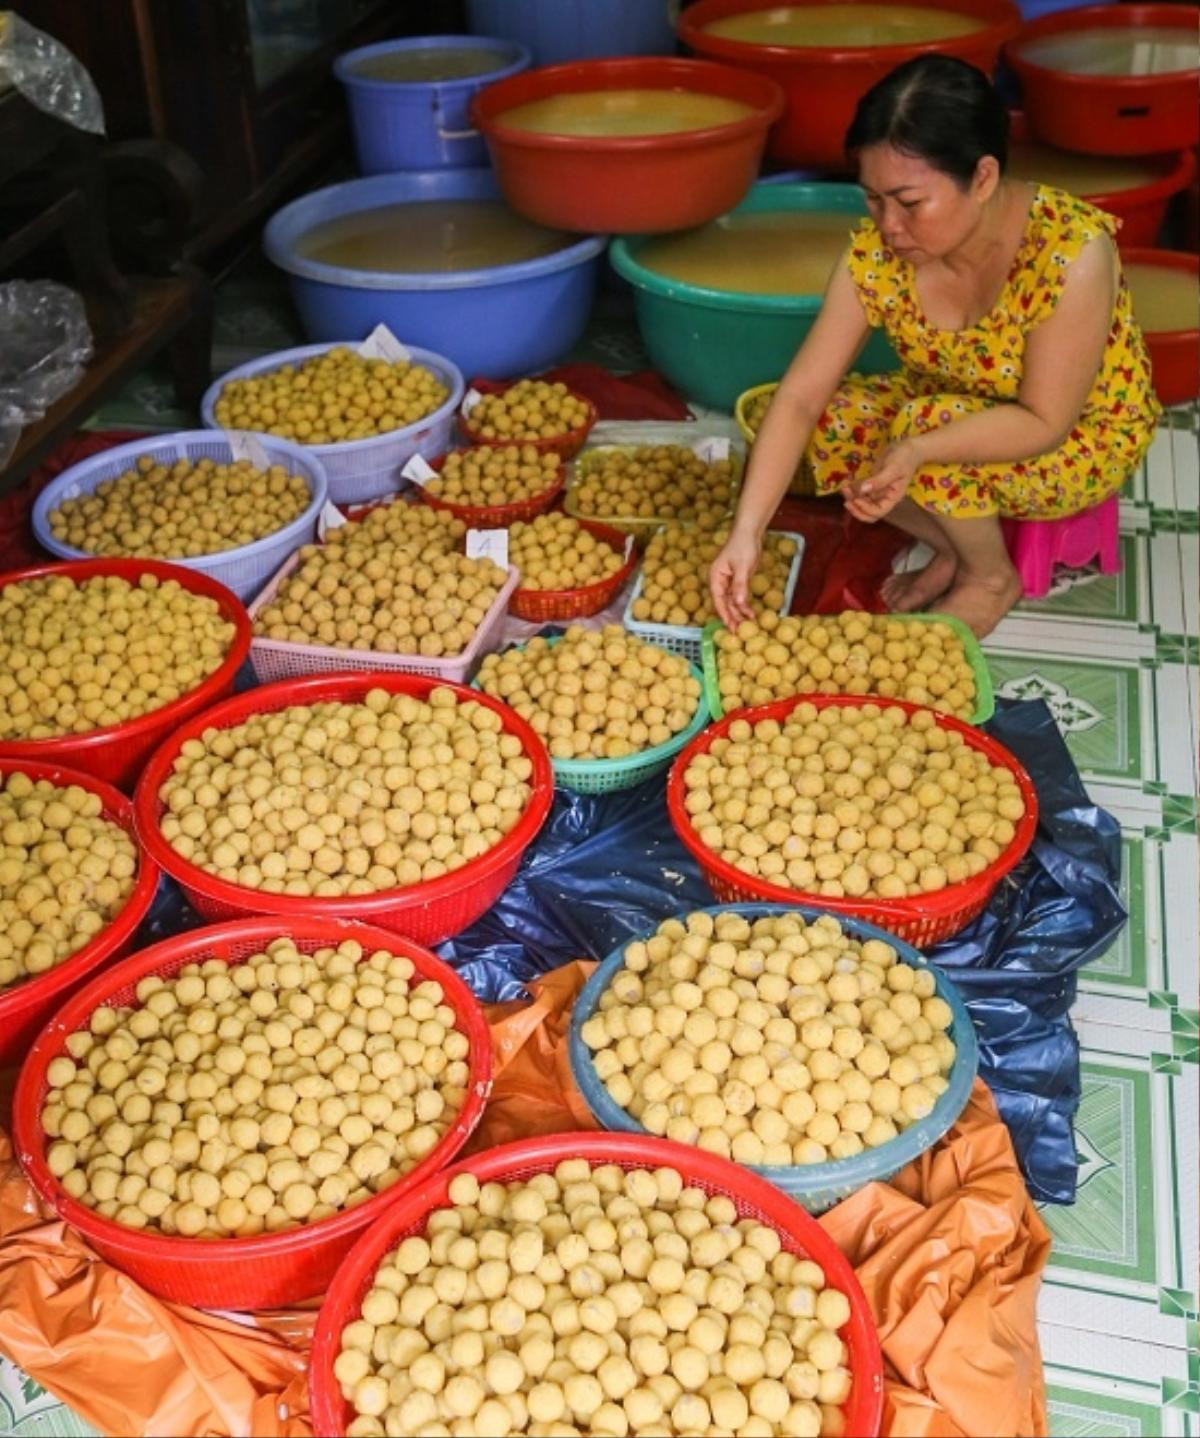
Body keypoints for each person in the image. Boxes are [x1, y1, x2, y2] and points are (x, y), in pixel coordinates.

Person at [710, 55, 1160, 638]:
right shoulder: (879, 254)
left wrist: (920, 448)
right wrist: (746, 532)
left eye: (910, 202)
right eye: (873, 199)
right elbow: (799, 398)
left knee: (928, 423)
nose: (889, 225)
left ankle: (989, 576)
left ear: (983, 178)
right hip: (947, 405)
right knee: (833, 420)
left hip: (1078, 436)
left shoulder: (1070, 254)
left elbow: (1046, 420)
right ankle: (951, 544)